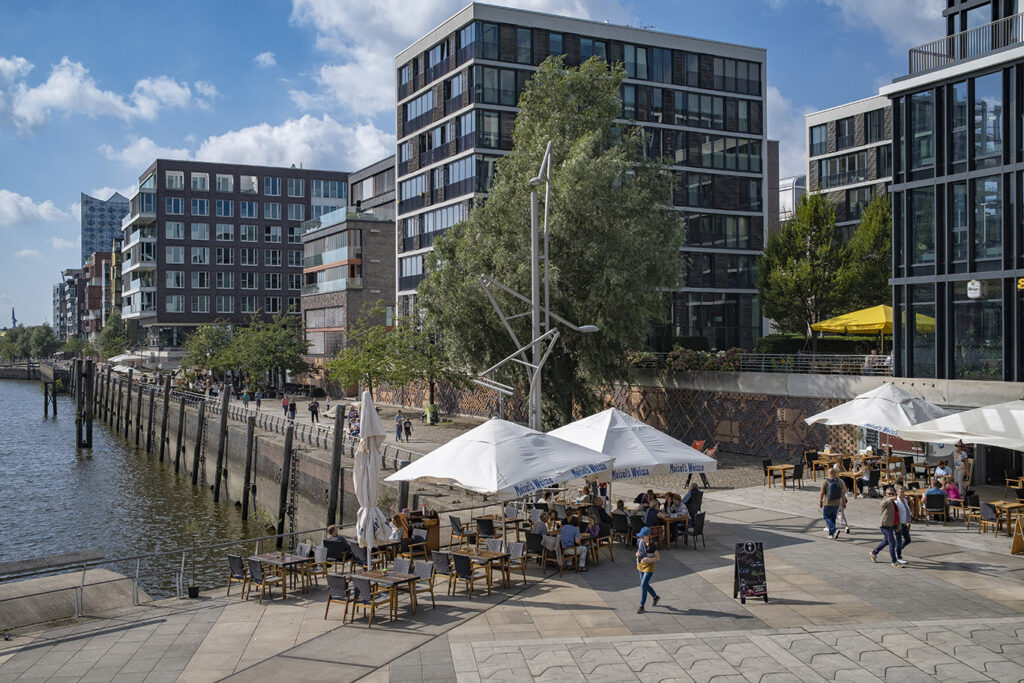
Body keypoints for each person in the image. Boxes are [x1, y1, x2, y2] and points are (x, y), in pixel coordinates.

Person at [869, 487, 903, 568]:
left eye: (892, 494)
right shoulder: (885, 500)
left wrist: (898, 525)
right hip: (885, 525)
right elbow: (882, 504)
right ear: (886, 494)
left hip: (891, 525)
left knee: (886, 541)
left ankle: (874, 553)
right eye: (889, 494)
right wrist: (891, 498)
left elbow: (897, 514)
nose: (891, 495)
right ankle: (894, 561)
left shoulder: (893, 502)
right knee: (892, 542)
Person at [635, 526, 661, 614]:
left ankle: (641, 606)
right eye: (641, 536)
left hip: (649, 567)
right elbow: (638, 552)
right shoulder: (639, 541)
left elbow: (658, 557)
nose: (641, 537)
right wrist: (637, 554)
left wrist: (649, 560)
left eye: (643, 536)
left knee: (643, 585)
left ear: (648, 536)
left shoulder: (653, 545)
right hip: (640, 565)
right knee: (645, 585)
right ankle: (655, 597)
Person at [819, 467, 846, 540]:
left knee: (826, 517)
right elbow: (843, 493)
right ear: (834, 473)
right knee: (833, 518)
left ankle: (834, 530)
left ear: (829, 473)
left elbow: (822, 493)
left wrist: (821, 501)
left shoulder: (825, 481)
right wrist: (844, 502)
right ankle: (831, 534)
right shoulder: (839, 481)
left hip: (828, 503)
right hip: (837, 503)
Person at [894, 486, 911, 565]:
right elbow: (896, 514)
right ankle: (898, 557)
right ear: (897, 493)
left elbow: (907, 510)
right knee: (899, 540)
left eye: (903, 492)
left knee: (908, 540)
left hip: (905, 523)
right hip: (899, 524)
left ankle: (897, 549)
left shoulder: (905, 500)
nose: (902, 493)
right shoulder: (896, 502)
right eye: (901, 492)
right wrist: (898, 524)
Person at [832, 466, 852, 534]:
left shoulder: (831, 481)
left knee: (833, 514)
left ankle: (831, 528)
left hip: (834, 500)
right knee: (841, 512)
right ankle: (846, 526)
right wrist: (844, 500)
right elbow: (844, 492)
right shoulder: (841, 481)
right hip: (840, 498)